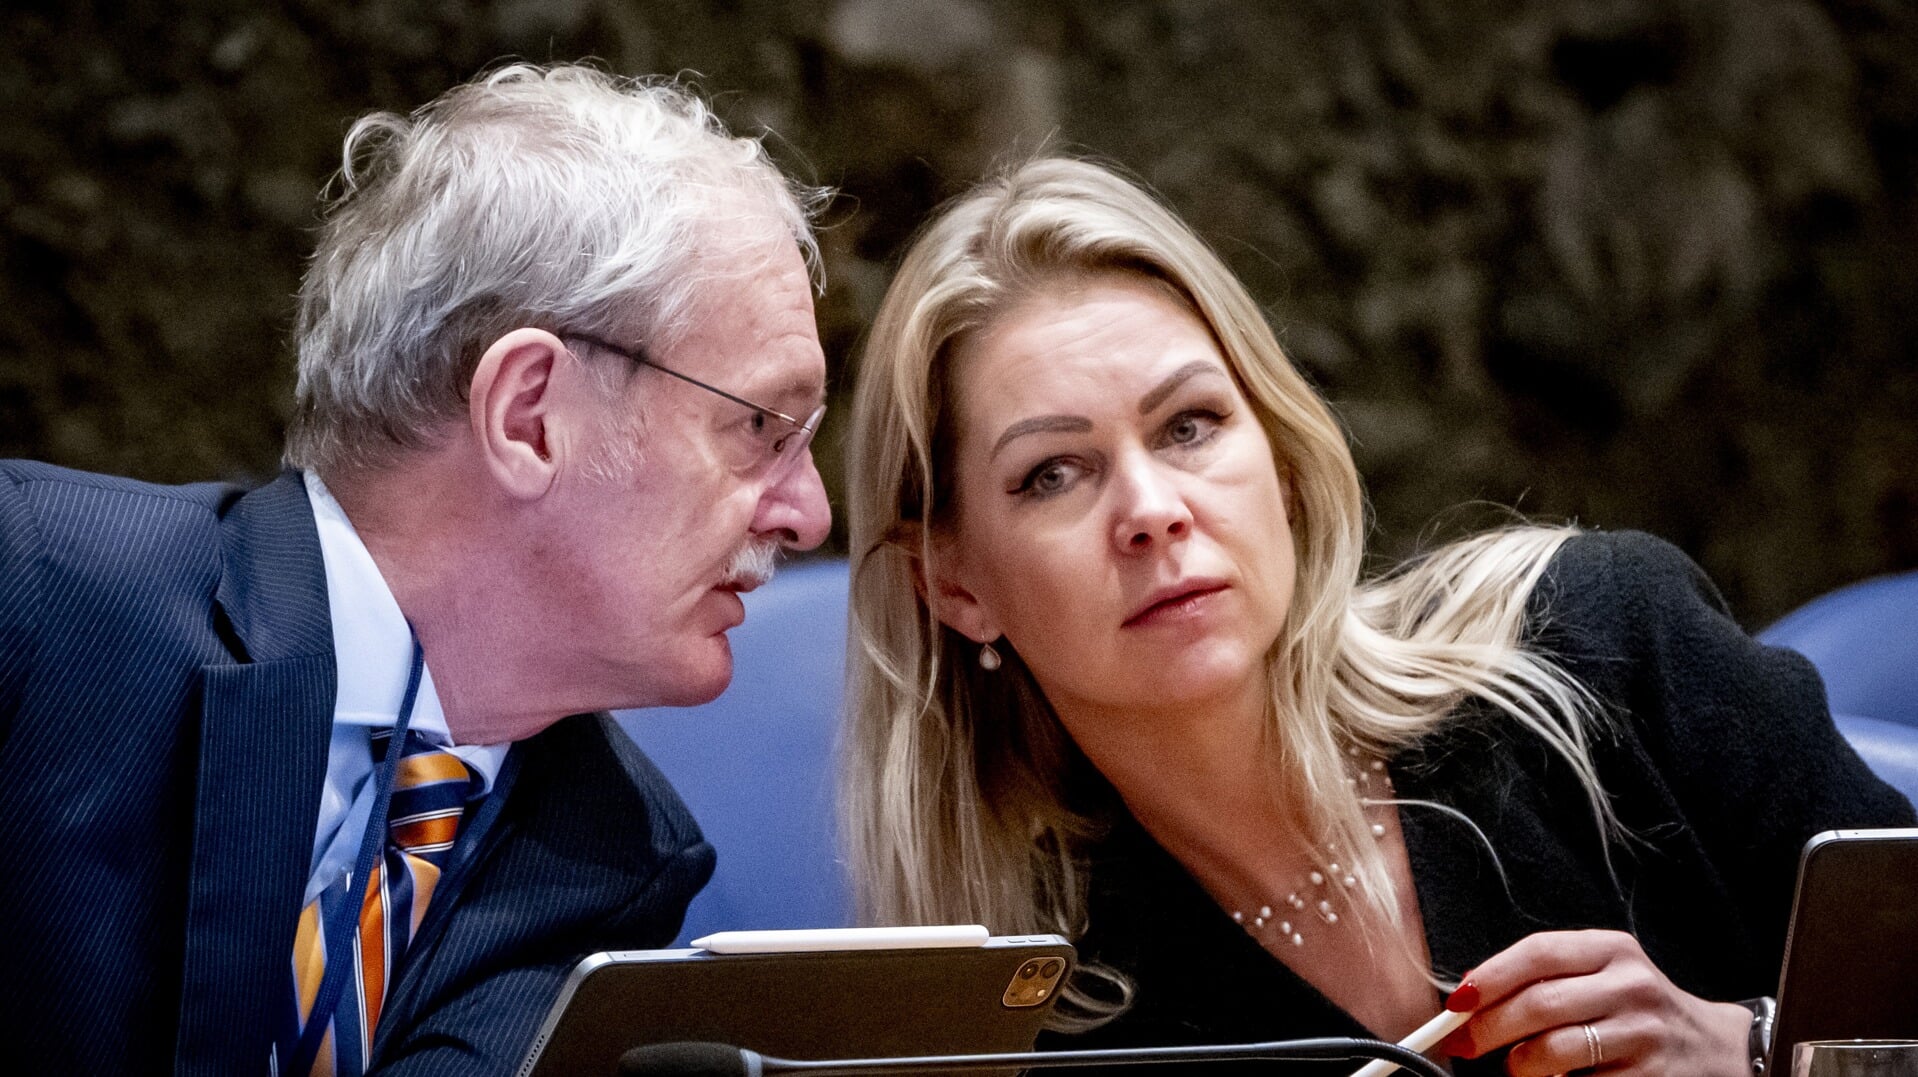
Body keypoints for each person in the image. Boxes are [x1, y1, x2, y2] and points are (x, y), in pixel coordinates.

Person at [840, 157, 1914, 1076]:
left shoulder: (1604, 646)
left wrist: (1756, 1051)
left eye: (1189, 425)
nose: (1152, 512)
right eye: (1051, 475)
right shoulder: (1067, 1032)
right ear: (954, 584)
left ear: (1283, 462)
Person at [0, 64, 832, 1076]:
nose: (809, 512)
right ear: (529, 416)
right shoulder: (38, 591)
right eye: (760, 427)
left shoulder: (615, 855)